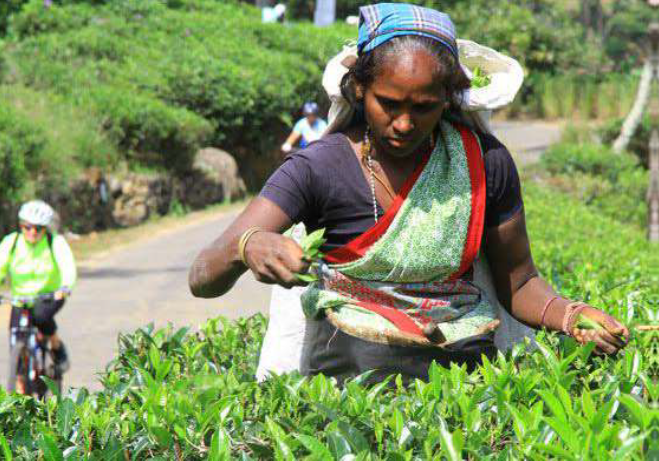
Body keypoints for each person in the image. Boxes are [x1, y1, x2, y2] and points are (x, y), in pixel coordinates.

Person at [189, 3, 629, 386]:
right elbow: (202, 276)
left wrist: (570, 315)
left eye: (423, 108)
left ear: (449, 100)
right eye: (389, 103)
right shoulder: (319, 167)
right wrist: (248, 246)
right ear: (359, 89)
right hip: (349, 374)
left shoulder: (484, 163)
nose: (404, 124)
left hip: (465, 370)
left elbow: (520, 281)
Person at [0, 200, 77, 377]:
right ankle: (21, 386)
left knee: (40, 315)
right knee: (15, 336)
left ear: (45, 228)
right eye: (27, 227)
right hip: (20, 298)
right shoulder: (12, 242)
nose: (32, 232)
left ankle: (56, 346)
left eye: (38, 228)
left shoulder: (55, 242)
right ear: (21, 225)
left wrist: (66, 287)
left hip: (49, 295)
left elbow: (67, 266)